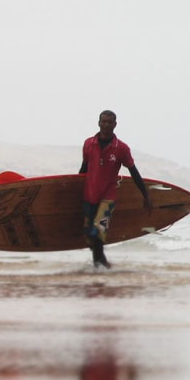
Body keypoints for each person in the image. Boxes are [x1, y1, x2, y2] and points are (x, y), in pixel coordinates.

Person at [79, 110, 151, 268]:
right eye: (103, 122)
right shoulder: (88, 144)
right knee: (89, 236)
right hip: (89, 196)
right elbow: (84, 168)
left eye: (109, 122)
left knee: (98, 231)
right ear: (98, 123)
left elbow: (133, 171)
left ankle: (98, 269)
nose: (106, 125)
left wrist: (145, 195)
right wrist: (74, 191)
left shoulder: (121, 148)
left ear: (115, 125)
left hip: (108, 198)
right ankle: (102, 264)